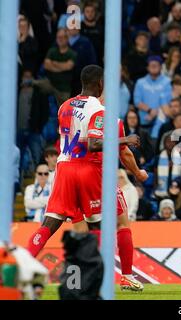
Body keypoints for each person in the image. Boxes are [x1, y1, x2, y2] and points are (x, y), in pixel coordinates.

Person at [26, 65, 147, 292]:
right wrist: (126, 140)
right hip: (89, 170)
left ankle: (21, 270)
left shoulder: (65, 106)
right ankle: (107, 278)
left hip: (64, 168)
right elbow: (95, 144)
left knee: (49, 224)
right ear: (101, 84)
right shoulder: (101, 112)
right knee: (101, 228)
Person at [133, 56, 172, 129]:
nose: (153, 67)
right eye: (151, 65)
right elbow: (137, 101)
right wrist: (150, 110)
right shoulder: (140, 82)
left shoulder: (167, 82)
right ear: (147, 67)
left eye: (156, 65)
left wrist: (156, 112)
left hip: (162, 121)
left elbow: (168, 101)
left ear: (160, 67)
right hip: (144, 120)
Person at [41, 28, 77, 106]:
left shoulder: (72, 53)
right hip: (50, 84)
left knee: (64, 112)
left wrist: (53, 63)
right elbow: (46, 65)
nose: (60, 39)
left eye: (63, 37)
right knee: (35, 86)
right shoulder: (52, 51)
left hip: (64, 89)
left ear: (67, 38)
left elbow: (68, 67)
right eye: (58, 37)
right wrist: (61, 66)